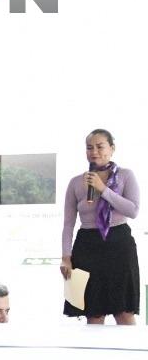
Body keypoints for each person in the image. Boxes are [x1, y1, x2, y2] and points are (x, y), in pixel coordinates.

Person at [61, 129, 139, 325]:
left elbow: (133, 210)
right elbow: (68, 223)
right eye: (89, 147)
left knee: (124, 312)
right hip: (87, 246)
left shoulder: (126, 176)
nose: (94, 151)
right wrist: (66, 258)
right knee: (93, 313)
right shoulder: (76, 182)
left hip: (119, 243)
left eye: (99, 146)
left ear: (112, 148)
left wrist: (103, 189)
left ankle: (130, 355)